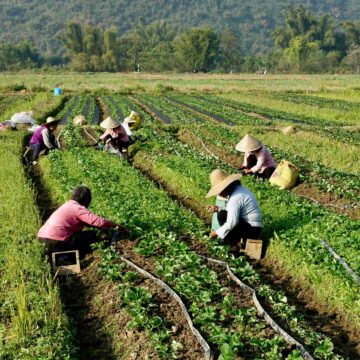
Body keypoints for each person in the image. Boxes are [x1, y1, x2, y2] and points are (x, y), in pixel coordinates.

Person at [38, 186, 122, 255]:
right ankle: (79, 255)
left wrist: (103, 228)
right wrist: (115, 225)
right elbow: (99, 222)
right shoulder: (78, 208)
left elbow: (87, 222)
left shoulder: (67, 205)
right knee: (91, 235)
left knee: (77, 236)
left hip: (42, 239)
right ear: (86, 200)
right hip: (57, 241)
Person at [206, 169, 262, 250]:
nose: (219, 194)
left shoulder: (235, 197)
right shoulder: (239, 190)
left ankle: (233, 243)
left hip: (252, 231)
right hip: (253, 227)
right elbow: (233, 211)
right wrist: (218, 208)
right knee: (222, 213)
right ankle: (234, 241)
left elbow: (231, 223)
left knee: (222, 215)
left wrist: (214, 234)